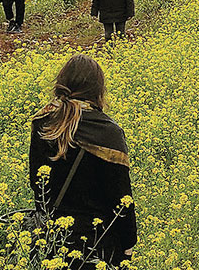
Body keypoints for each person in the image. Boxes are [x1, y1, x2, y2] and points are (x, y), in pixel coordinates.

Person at [29, 54, 137, 264]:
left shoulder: (43, 121)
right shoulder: (106, 133)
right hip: (96, 244)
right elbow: (121, 200)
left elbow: (37, 183)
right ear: (98, 90)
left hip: (51, 241)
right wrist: (127, 246)